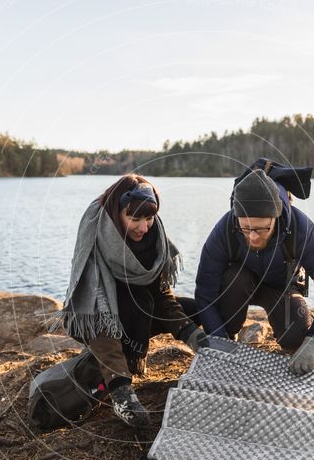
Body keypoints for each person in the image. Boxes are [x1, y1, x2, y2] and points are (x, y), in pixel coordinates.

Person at [55, 174, 208, 429]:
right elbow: (99, 317)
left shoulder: (154, 239)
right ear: (118, 212)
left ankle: (211, 365)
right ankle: (113, 367)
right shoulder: (96, 239)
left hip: (139, 311)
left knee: (201, 309)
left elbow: (162, 296)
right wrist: (121, 391)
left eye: (148, 218)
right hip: (100, 317)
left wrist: (192, 334)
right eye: (135, 219)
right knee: (132, 304)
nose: (143, 227)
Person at [191, 167, 314, 375]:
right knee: (233, 281)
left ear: (277, 216)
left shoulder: (300, 230)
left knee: (295, 337)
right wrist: (218, 339)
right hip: (238, 284)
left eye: (263, 228)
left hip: (281, 286)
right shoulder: (225, 230)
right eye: (246, 228)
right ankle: (228, 337)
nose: (254, 236)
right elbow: (205, 293)